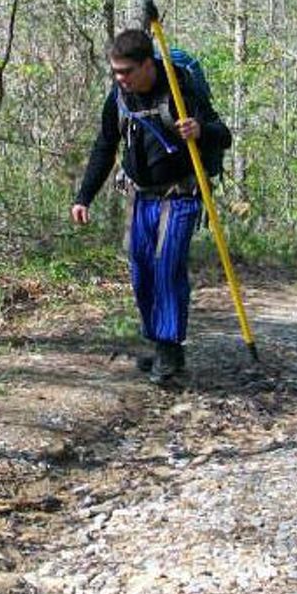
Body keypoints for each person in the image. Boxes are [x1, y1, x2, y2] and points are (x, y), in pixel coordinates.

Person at [71, 29, 232, 384]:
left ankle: (170, 349)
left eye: (126, 71)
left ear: (147, 65)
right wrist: (84, 196)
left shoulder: (181, 91)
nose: (119, 78)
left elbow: (225, 134)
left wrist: (200, 131)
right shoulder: (119, 97)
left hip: (183, 194)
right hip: (141, 194)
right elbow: (104, 145)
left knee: (167, 266)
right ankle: (158, 341)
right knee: (141, 268)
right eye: (115, 71)